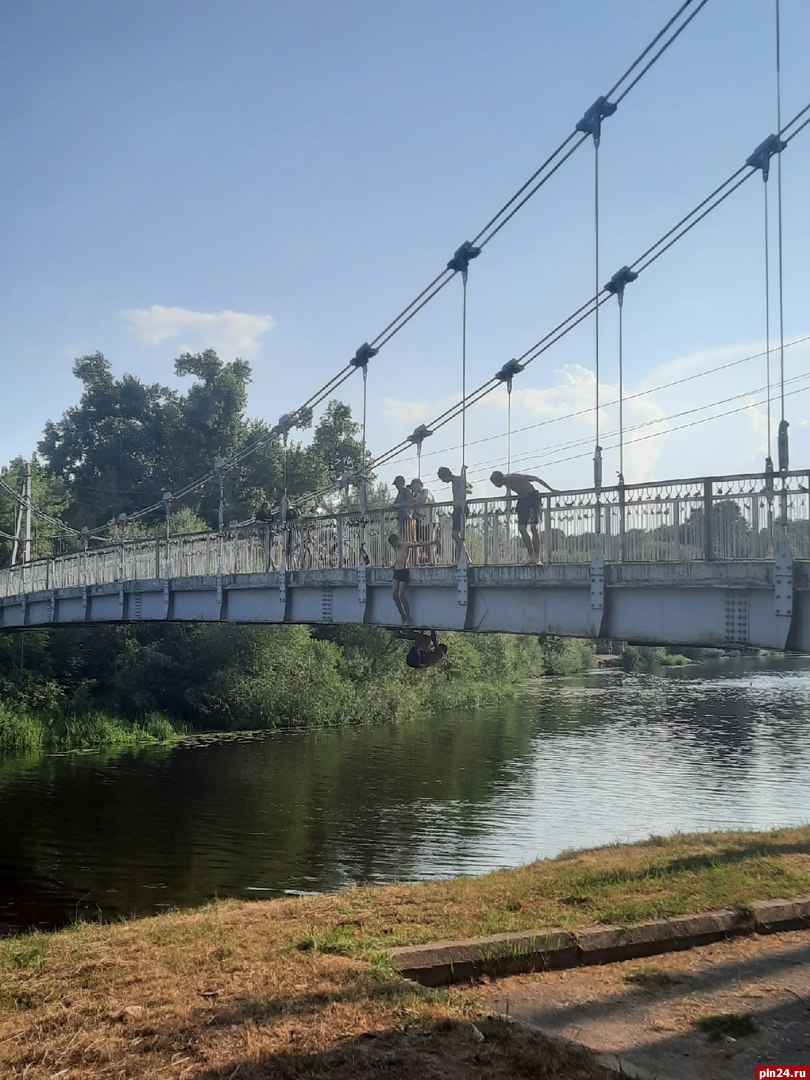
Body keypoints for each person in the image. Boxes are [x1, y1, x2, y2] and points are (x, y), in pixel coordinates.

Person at [490, 470, 555, 564]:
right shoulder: (506, 482)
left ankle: (536, 557)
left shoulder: (514, 477)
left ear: (499, 480)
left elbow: (536, 479)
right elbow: (509, 493)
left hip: (532, 497)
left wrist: (551, 490)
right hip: (523, 500)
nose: (495, 485)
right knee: (521, 528)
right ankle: (532, 556)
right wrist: (508, 506)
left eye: (495, 483)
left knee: (533, 527)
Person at [388, 532, 438, 625]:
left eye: (393, 544)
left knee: (401, 595)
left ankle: (408, 617)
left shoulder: (406, 545)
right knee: (394, 595)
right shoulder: (395, 548)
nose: (393, 546)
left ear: (397, 540)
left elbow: (419, 544)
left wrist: (432, 542)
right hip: (396, 571)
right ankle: (402, 615)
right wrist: (393, 565)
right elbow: (398, 558)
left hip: (404, 570)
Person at [437, 466, 472, 562]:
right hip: (456, 509)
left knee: (455, 535)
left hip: (461, 509)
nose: (443, 481)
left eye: (443, 479)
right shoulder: (454, 481)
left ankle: (466, 556)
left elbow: (470, 489)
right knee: (457, 537)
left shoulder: (458, 480)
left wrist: (463, 491)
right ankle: (458, 558)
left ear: (446, 475)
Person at [410, 477, 435, 562]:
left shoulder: (426, 491)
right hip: (421, 522)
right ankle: (423, 560)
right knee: (421, 542)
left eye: (416, 487)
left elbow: (425, 501)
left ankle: (432, 561)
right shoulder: (416, 495)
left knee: (429, 541)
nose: (415, 489)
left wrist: (415, 503)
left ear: (420, 485)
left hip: (429, 521)